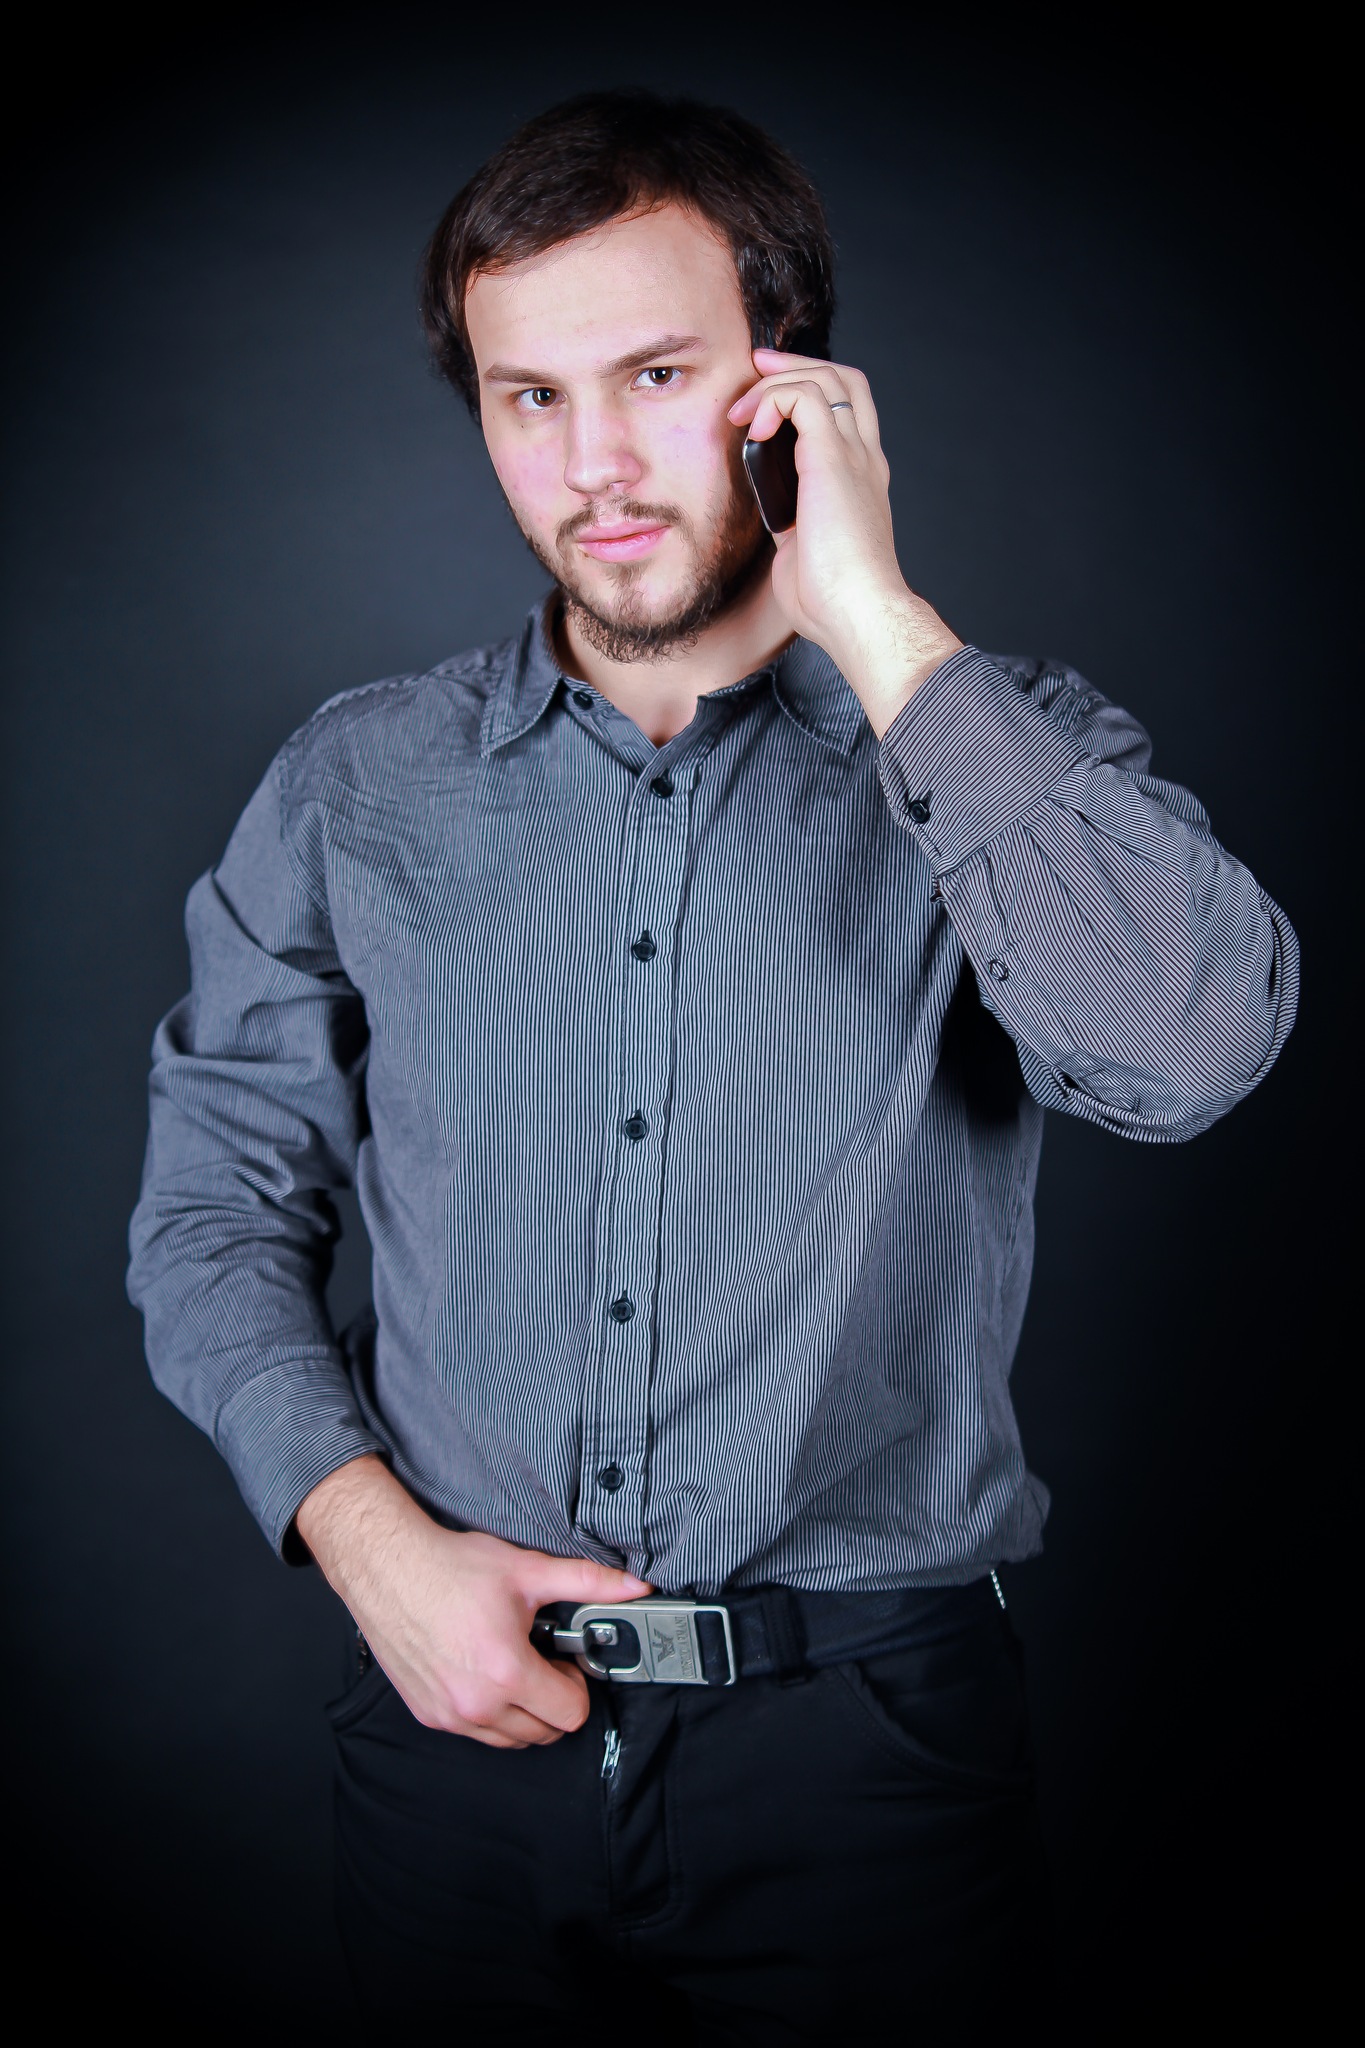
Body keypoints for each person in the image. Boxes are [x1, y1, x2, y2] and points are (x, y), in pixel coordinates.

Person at [127, 91, 1298, 2039]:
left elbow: (1184, 1051)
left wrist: (875, 621)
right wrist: (368, 1544)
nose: (590, 465)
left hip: (870, 1763)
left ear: (789, 383)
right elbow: (208, 1208)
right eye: (528, 397)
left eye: (656, 377)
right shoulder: (355, 785)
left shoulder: (1002, 757)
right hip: (444, 1746)